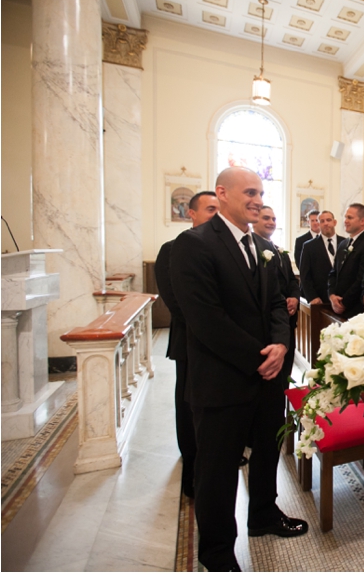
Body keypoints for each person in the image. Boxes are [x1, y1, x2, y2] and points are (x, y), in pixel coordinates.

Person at [170, 167, 307, 572]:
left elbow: (276, 302)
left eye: (261, 193)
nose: (257, 199)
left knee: (267, 453)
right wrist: (260, 357)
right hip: (222, 381)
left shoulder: (261, 246)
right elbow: (205, 318)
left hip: (266, 377)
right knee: (217, 472)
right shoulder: (193, 245)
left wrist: (281, 344)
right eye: (249, 191)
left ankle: (264, 515)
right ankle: (217, 554)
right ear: (222, 193)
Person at [154, 190, 218, 498]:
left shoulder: (224, 250)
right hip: (190, 341)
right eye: (209, 209)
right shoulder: (172, 249)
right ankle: (192, 465)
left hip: (221, 346)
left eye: (218, 209)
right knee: (189, 403)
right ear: (190, 213)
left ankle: (218, 455)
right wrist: (210, 328)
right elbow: (176, 302)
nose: (215, 214)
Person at [255, 205, 300, 387]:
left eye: (273, 219)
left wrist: (295, 298)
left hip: (287, 322)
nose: (271, 222)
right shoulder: (253, 249)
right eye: (266, 218)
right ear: (254, 221)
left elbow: (291, 281)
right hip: (269, 322)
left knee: (285, 371)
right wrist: (282, 301)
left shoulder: (279, 251)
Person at [328, 203, 364, 318]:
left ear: (363, 221)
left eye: (350, 217)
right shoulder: (343, 244)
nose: (345, 221)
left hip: (355, 309)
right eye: (345, 217)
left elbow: (361, 280)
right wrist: (332, 296)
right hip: (337, 305)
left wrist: (343, 303)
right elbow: (333, 272)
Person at [298, 210, 343, 305]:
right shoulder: (309, 246)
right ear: (319, 224)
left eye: (328, 220)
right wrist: (312, 297)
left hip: (342, 297)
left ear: (334, 222)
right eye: (322, 221)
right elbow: (304, 274)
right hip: (320, 299)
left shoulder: (345, 243)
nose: (326, 223)